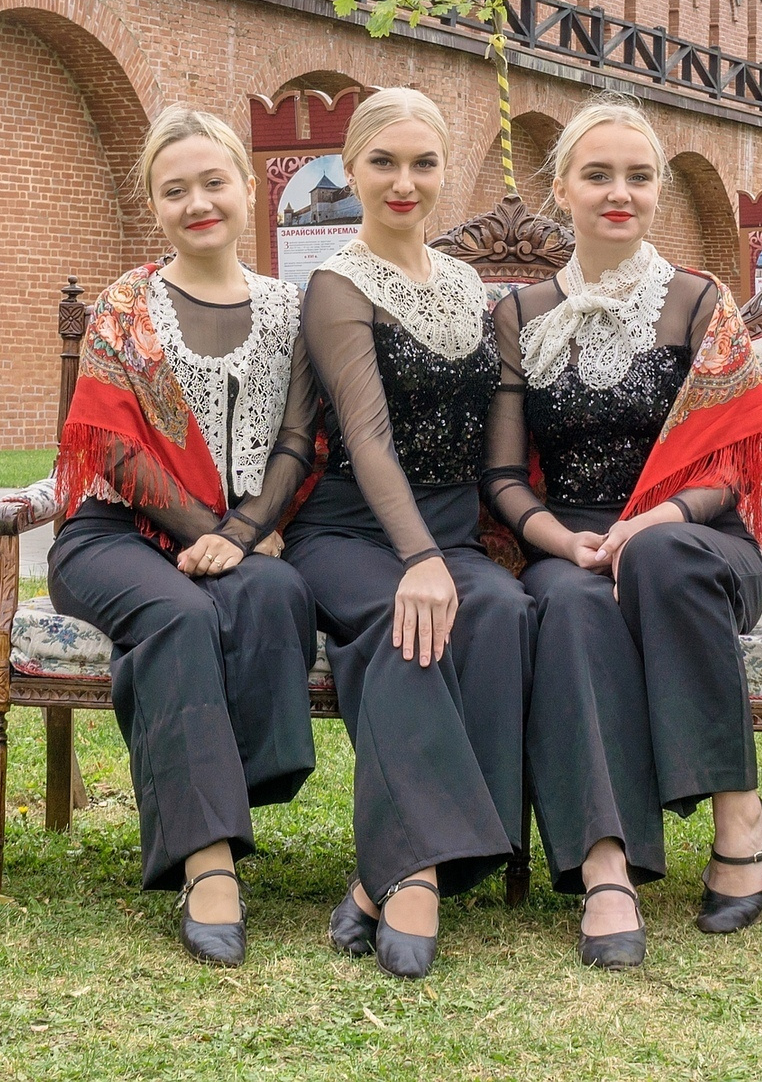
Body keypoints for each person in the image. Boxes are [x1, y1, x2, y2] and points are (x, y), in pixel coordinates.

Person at [482, 99, 762, 968]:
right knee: (571, 609)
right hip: (567, 539)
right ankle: (605, 868)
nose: (621, 192)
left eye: (639, 176)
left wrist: (660, 513)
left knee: (654, 552)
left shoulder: (699, 299)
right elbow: (501, 476)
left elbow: (734, 459)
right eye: (599, 175)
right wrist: (556, 539)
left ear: (658, 190)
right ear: (563, 191)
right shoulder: (520, 313)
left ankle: (739, 812)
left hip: (699, 539)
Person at [46, 107, 321, 966]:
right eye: (175, 190)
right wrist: (212, 535)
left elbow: (299, 439)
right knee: (177, 615)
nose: (197, 202)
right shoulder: (126, 307)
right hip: (117, 533)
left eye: (213, 182)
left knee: (279, 592)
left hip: (242, 536)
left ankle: (232, 787)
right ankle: (207, 864)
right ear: (154, 205)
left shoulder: (290, 308)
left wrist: (247, 533)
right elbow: (115, 448)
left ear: (248, 188)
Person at [284, 87, 532, 980]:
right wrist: (420, 559)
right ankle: (417, 874)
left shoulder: (471, 287)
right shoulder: (337, 285)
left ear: (445, 172)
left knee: (504, 612)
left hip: (451, 534)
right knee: (407, 626)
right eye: (383, 162)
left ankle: (372, 879)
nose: (404, 181)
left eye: (423, 162)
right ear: (349, 170)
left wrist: (449, 551)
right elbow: (366, 436)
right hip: (349, 529)